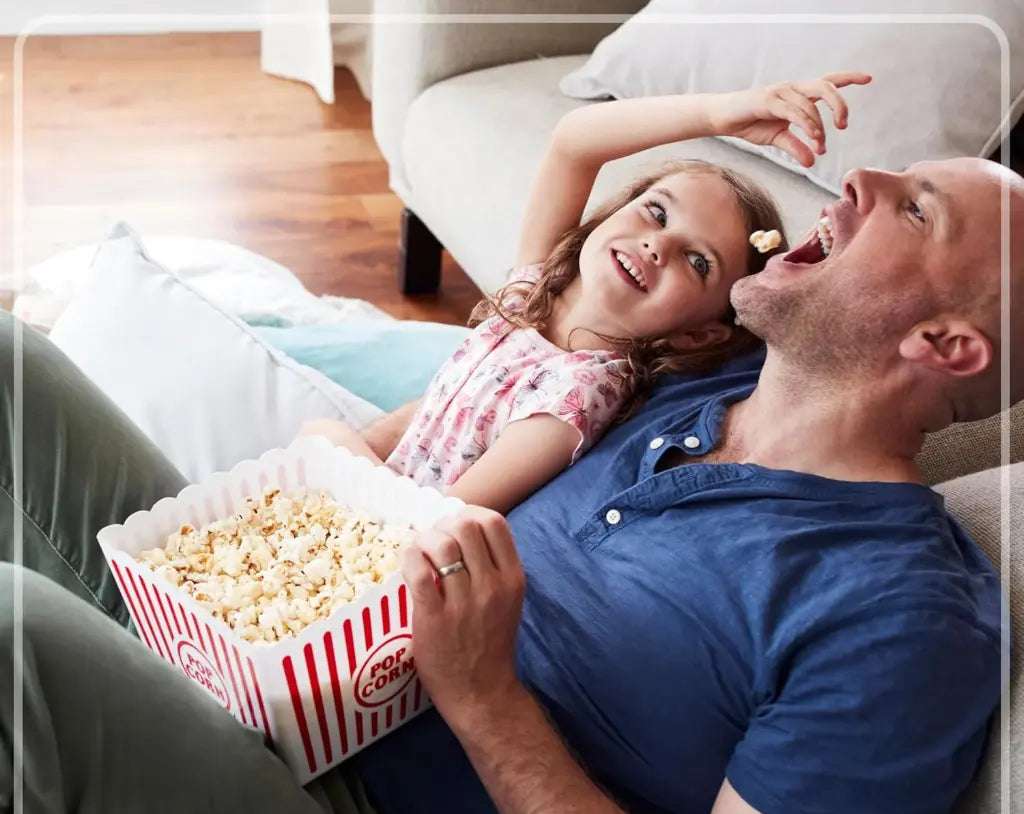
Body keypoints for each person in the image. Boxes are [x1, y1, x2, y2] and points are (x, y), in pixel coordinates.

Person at [0, 153, 1021, 814]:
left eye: (915, 208)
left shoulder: (905, 615)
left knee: (12, 634)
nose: (860, 178)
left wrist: (485, 698)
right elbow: (547, 270)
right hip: (274, 683)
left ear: (944, 345)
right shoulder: (690, 380)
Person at [300, 73, 868, 513]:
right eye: (655, 211)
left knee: (317, 431)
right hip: (358, 512)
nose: (656, 247)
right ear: (614, 213)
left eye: (698, 261)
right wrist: (717, 113)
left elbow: (446, 519)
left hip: (390, 563)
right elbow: (574, 142)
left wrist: (340, 449)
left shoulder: (580, 395)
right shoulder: (531, 293)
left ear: (699, 332)